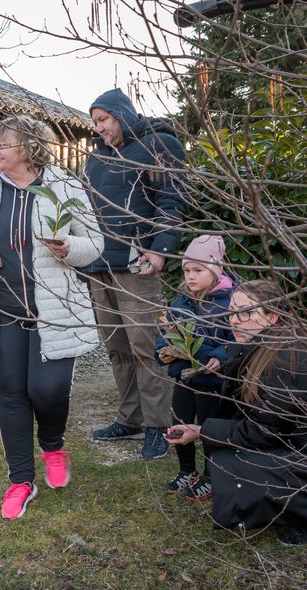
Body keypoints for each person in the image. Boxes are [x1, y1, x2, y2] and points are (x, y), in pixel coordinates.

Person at [0, 115, 104, 520]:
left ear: (28, 147)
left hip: (54, 311)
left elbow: (95, 243)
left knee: (48, 390)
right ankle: (21, 480)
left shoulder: (63, 186)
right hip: (2, 311)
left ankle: (54, 446)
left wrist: (68, 247)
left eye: (3, 144)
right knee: (11, 394)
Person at [85, 88, 188, 459]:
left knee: (147, 348)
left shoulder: (159, 144)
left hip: (136, 264)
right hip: (99, 265)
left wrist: (160, 250)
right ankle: (130, 417)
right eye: (95, 122)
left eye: (104, 119)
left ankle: (158, 425)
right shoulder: (96, 157)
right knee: (117, 348)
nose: (99, 128)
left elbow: (172, 201)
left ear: (123, 114)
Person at [166, 279, 307, 546]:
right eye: (232, 312)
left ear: (273, 316)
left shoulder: (285, 359)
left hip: (300, 452)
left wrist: (201, 431)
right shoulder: (263, 346)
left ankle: (301, 513)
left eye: (246, 313)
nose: (234, 320)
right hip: (293, 444)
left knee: (231, 462)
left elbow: (264, 431)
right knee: (225, 452)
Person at [155, 235, 235, 501]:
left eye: (198, 270)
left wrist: (221, 356)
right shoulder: (181, 303)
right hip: (184, 377)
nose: (190, 276)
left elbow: (237, 339)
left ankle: (212, 476)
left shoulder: (229, 302)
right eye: (187, 270)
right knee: (178, 422)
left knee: (209, 429)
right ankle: (186, 470)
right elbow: (166, 333)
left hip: (213, 381)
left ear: (216, 269)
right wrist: (163, 351)